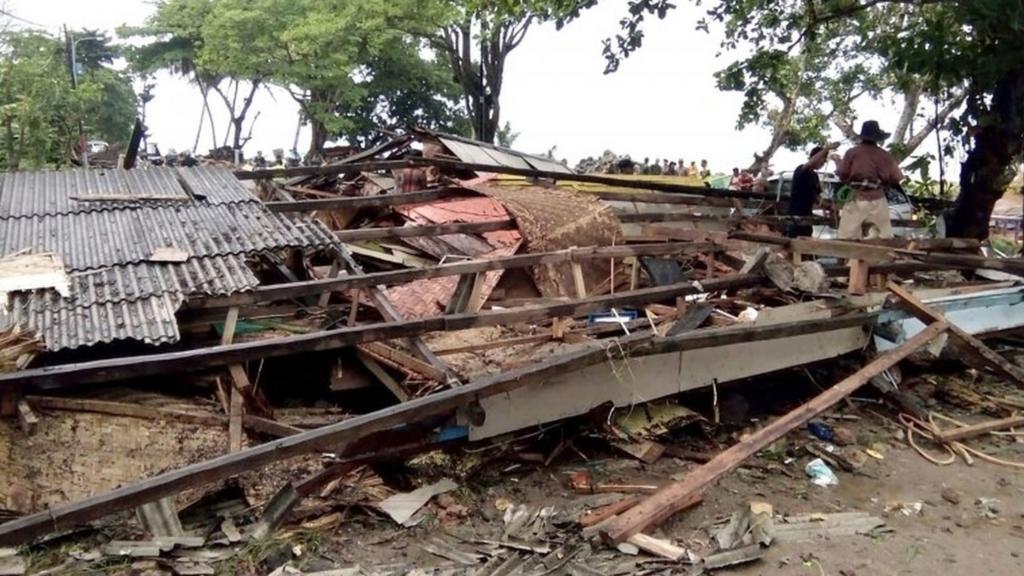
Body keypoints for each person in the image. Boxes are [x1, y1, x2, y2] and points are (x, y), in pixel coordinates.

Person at [835, 120, 903, 239]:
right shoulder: (884, 155)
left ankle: (848, 257)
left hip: (856, 198)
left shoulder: (852, 153)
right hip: (877, 199)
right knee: (882, 237)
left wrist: (837, 161)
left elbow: (842, 173)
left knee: (847, 237)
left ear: (862, 137)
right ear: (877, 138)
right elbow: (897, 177)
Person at [786, 144, 838, 238]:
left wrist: (829, 207)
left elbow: (817, 197)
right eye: (822, 159)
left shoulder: (814, 176)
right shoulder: (800, 169)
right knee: (793, 244)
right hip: (795, 215)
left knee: (806, 244)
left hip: (807, 216)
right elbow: (810, 163)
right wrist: (827, 149)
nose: (823, 163)